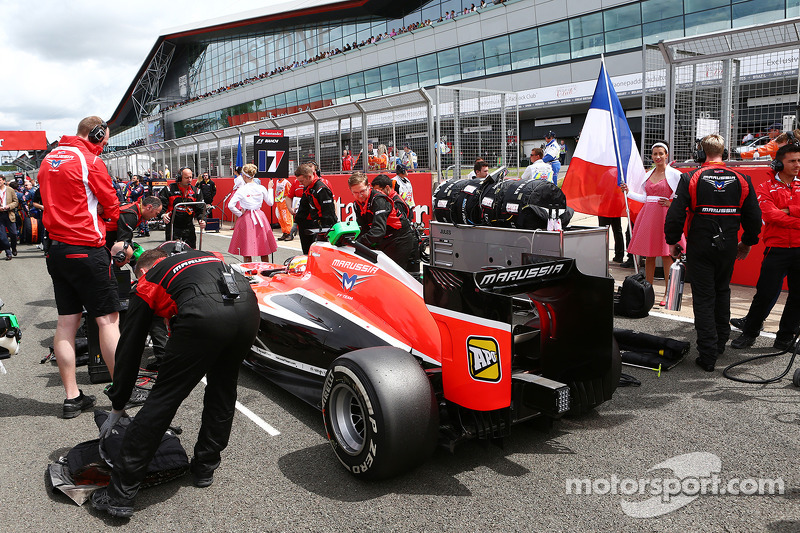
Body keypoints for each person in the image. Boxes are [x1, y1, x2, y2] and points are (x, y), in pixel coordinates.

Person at [91, 247, 259, 518]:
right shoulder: (205, 255)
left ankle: (119, 496)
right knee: (223, 390)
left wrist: (119, 403)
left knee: (164, 399)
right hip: (248, 308)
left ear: (143, 271)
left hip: (204, 317)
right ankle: (205, 467)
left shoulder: (149, 280)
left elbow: (129, 349)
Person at [37, 116, 121, 417]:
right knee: (108, 321)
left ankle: (72, 397)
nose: (105, 144)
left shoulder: (48, 159)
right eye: (105, 139)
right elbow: (111, 204)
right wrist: (109, 221)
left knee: (66, 324)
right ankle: (121, 394)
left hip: (56, 251)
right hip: (87, 249)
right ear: (97, 133)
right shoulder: (89, 160)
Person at [664, 134, 761, 372]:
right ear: (725, 153)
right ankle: (719, 344)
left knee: (704, 297)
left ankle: (708, 355)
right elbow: (754, 218)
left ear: (700, 154)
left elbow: (675, 215)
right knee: (722, 291)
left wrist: (672, 242)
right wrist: (747, 243)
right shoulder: (742, 178)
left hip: (700, 246)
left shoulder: (691, 177)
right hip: (728, 246)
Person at [731, 144, 800, 351]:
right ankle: (750, 333)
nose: (797, 164)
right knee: (766, 293)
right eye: (792, 161)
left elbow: (779, 215)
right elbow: (770, 215)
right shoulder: (765, 187)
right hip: (776, 249)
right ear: (779, 163)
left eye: (799, 160)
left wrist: (788, 210)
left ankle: (785, 338)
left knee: (798, 295)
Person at [620, 141, 685, 305]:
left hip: (665, 217)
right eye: (655, 154)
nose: (657, 156)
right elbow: (645, 197)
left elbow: (683, 196)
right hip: (648, 216)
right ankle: (647, 292)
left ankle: (667, 294)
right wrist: (628, 193)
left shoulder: (675, 174)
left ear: (666, 155)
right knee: (648, 256)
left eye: (661, 153)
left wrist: (672, 204)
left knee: (666, 256)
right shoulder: (648, 174)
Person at [350, 171, 415, 270]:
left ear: (368, 186)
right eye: (355, 192)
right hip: (384, 240)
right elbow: (363, 228)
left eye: (362, 191)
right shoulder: (357, 204)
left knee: (392, 276)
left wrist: (356, 243)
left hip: (400, 239)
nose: (360, 195)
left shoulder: (378, 200)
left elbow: (378, 231)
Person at [227, 163, 277, 262]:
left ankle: (248, 272)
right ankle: (265, 271)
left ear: (244, 176)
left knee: (246, 248)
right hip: (260, 216)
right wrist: (270, 189)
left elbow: (230, 205)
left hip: (246, 218)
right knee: (264, 248)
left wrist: (240, 213)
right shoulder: (261, 188)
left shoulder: (242, 189)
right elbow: (270, 202)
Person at [294, 163, 338, 254]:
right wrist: (295, 223)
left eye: (302, 181)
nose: (300, 183)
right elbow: (303, 206)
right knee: (308, 252)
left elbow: (329, 213)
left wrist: (325, 232)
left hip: (323, 227)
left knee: (319, 254)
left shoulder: (321, 189)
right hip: (314, 224)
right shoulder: (308, 187)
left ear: (309, 177)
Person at [159, 167, 206, 248]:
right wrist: (163, 215)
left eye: (191, 177)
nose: (189, 180)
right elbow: (160, 206)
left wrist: (202, 220)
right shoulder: (169, 189)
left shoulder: (196, 191)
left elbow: (201, 209)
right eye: (186, 177)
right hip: (173, 226)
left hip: (189, 226)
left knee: (191, 251)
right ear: (179, 178)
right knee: (173, 251)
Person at [109, 197, 163, 266]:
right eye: (156, 213)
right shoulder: (131, 214)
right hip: (101, 238)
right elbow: (124, 244)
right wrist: (137, 265)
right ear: (149, 207)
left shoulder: (135, 208)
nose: (155, 217)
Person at [0, 175, 18, 260]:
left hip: (9, 214)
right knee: (3, 236)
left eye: (0, 180)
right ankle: (8, 252)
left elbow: (15, 202)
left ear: (3, 181)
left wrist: (9, 206)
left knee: (14, 233)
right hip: (0, 215)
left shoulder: (10, 190)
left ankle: (13, 247)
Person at [274, 175, 294, 241]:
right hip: (279, 202)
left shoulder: (286, 182)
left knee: (286, 218)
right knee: (281, 219)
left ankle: (289, 233)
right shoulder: (277, 181)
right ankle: (284, 232)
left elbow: (290, 193)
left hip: (284, 202)